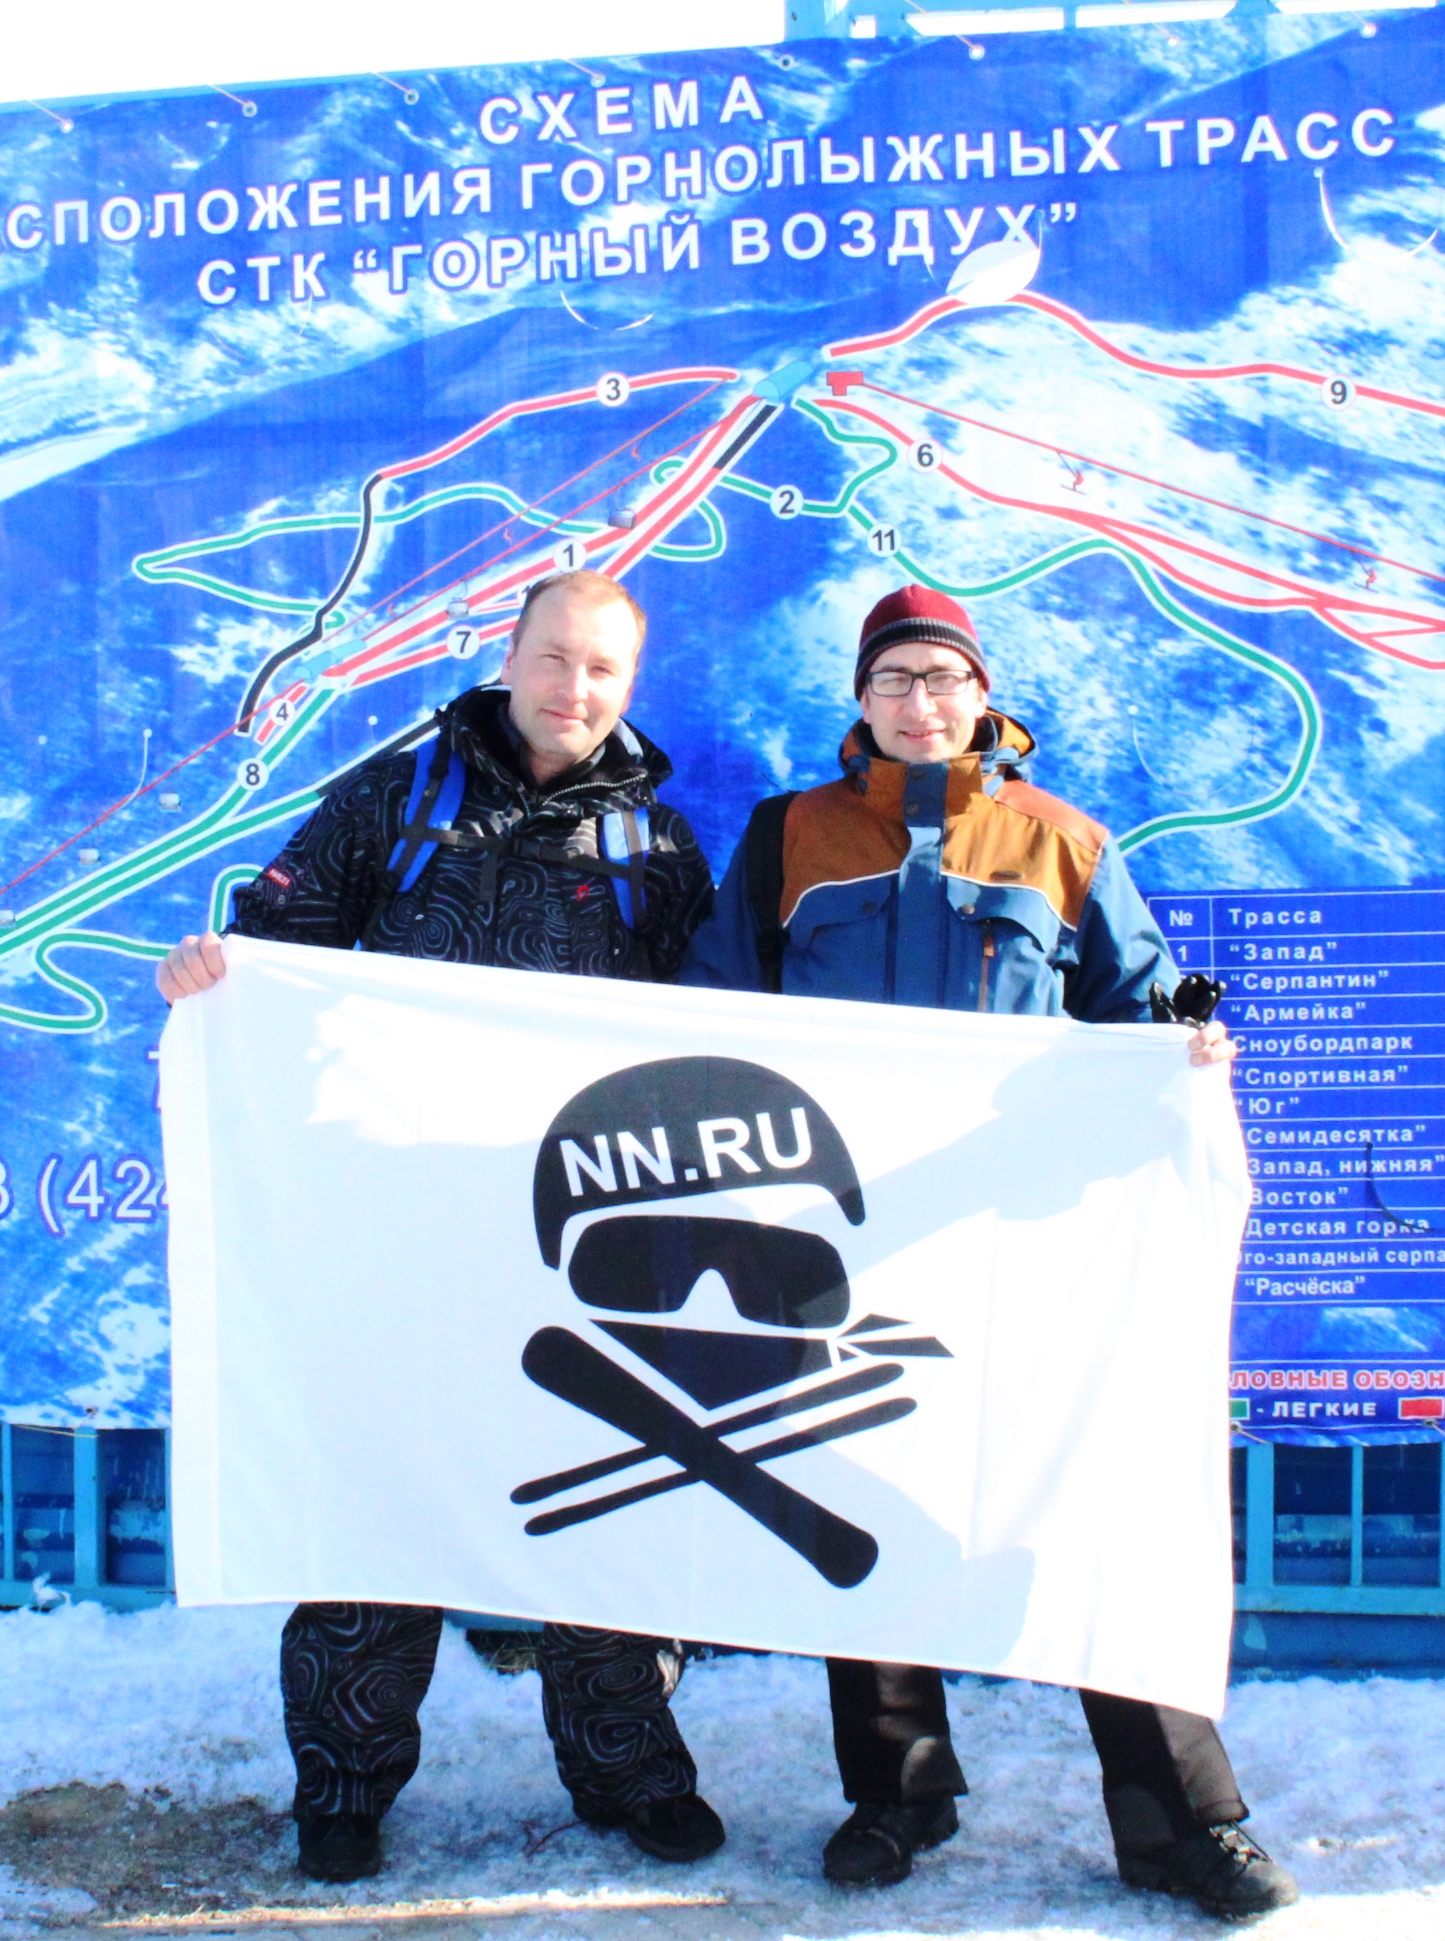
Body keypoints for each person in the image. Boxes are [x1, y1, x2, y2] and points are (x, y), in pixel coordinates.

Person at [677, 584, 1300, 1920]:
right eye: (895, 678)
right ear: (860, 698)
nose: (921, 701)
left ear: (983, 694)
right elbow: (717, 1010)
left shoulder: (1062, 841)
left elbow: (1137, 1009)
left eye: (944, 677)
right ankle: (897, 1792)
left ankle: (1183, 1822)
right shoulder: (787, 835)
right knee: (864, 1506)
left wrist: (1185, 1049)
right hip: (851, 1240)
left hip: (1023, 1248)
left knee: (1090, 1516)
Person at [157, 571, 724, 1883]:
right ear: (508, 656)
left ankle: (629, 1767)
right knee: (383, 1496)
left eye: (602, 668)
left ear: (629, 685)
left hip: (584, 1228)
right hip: (402, 1222)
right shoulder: (397, 801)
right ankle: (345, 1782)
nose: (573, 687)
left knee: (608, 1495)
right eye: (554, 656)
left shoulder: (656, 843)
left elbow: (715, 1026)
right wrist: (212, 976)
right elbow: (275, 947)